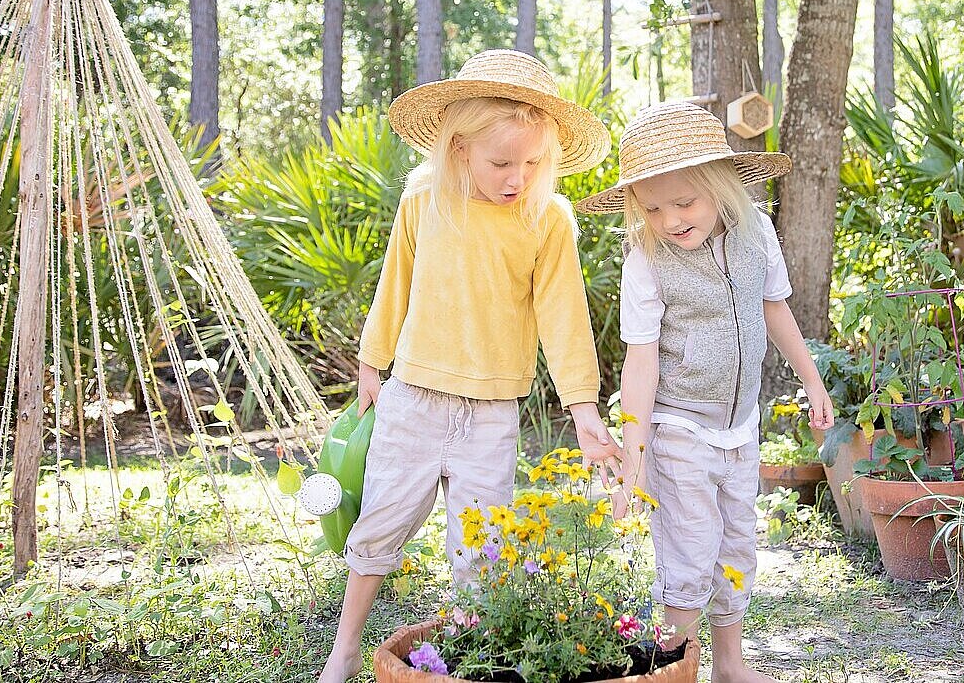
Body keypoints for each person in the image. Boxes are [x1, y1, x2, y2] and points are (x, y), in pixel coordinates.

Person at [317, 50, 621, 683]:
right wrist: (372, 362)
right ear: (458, 149)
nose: (517, 176)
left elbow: (565, 317)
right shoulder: (425, 196)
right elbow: (394, 281)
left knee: (482, 552)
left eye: (533, 162)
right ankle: (346, 648)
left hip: (491, 414)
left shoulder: (546, 217)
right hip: (414, 399)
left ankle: (463, 662)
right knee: (379, 526)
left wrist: (584, 410)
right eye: (501, 162)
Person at [579, 100, 836, 683]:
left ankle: (728, 665)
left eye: (684, 202)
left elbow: (776, 309)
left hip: (741, 426)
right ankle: (676, 670)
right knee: (689, 552)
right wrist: (633, 457)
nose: (670, 219)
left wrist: (813, 380)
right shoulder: (646, 258)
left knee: (737, 547)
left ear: (719, 185)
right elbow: (640, 363)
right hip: (678, 426)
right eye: (653, 208)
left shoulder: (756, 232)